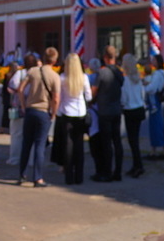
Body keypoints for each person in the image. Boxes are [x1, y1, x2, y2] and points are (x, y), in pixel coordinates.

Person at [18, 47, 60, 188]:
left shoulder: (33, 71)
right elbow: (55, 98)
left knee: (26, 144)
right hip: (43, 111)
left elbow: (20, 88)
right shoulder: (54, 76)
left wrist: (23, 105)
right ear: (55, 60)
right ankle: (38, 178)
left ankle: (22, 175)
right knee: (40, 145)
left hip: (30, 110)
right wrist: (53, 113)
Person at [56, 53, 92, 185]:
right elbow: (88, 97)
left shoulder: (62, 78)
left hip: (66, 113)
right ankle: (79, 176)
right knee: (79, 145)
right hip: (80, 113)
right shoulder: (84, 78)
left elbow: (59, 97)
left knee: (68, 146)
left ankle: (69, 176)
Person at [90, 46, 124, 182]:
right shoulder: (119, 73)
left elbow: (94, 91)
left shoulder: (102, 73)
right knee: (117, 142)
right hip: (117, 110)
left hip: (104, 112)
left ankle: (107, 172)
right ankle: (118, 172)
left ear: (105, 57)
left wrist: (91, 101)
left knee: (106, 143)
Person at [6, 54, 36, 166]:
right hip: (33, 107)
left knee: (16, 134)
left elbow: (12, 86)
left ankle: (14, 158)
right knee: (32, 135)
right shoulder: (37, 73)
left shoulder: (20, 73)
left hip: (19, 108)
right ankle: (32, 160)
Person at [121, 54, 146, 178]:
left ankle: (138, 165)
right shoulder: (138, 78)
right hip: (139, 109)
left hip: (130, 110)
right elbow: (143, 94)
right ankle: (137, 165)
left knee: (132, 141)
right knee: (135, 139)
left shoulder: (125, 80)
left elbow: (124, 97)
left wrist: (123, 104)